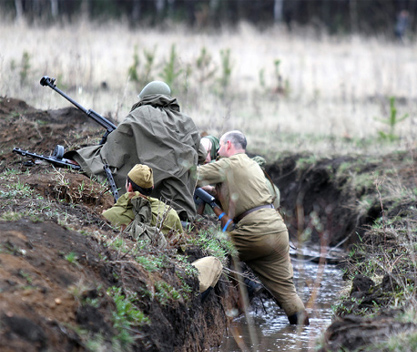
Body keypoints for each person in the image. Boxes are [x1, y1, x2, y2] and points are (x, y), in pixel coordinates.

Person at [196, 130, 308, 325]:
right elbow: (240, 194)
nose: (218, 151)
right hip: (277, 230)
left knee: (212, 250)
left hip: (254, 231)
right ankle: (303, 334)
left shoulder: (228, 163)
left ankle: (198, 306)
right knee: (288, 293)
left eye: (221, 146)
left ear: (228, 145)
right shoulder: (252, 165)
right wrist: (212, 191)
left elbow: (191, 175)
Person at [67, 81, 206, 222]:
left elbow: (114, 149)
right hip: (179, 207)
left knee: (96, 157)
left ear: (145, 97)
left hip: (146, 196)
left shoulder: (141, 113)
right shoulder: (187, 121)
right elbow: (201, 155)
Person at [102, 164, 184, 237]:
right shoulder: (171, 214)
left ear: (129, 186)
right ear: (152, 188)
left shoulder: (109, 216)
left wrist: (104, 215)